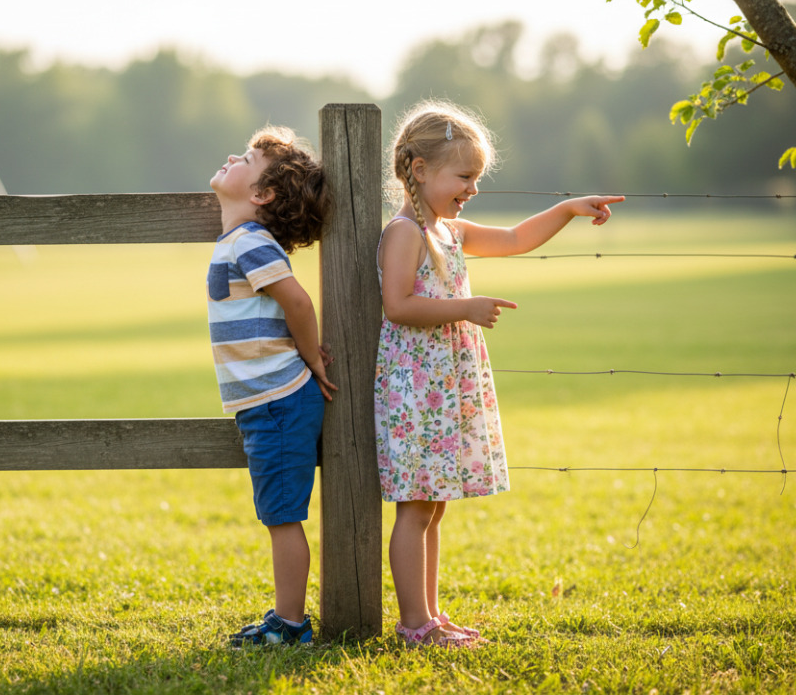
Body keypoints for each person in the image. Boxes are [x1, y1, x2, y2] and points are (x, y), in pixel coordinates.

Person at [375, 100, 624, 648]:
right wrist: (464, 309)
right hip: (418, 390)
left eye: (477, 178)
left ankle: (431, 617)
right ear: (420, 170)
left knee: (433, 505)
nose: (473, 188)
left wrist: (568, 208)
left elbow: (514, 239)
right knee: (416, 506)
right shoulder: (405, 233)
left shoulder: (449, 230)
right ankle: (413, 625)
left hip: (442, 386)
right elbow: (397, 306)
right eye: (464, 176)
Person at [206, 125, 338, 647]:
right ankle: (286, 619)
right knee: (276, 513)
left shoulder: (252, 243)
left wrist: (312, 358)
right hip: (266, 401)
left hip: (279, 399)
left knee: (281, 517)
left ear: (262, 195)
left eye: (248, 158)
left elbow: (299, 303)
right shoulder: (241, 240)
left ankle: (290, 625)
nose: (233, 155)